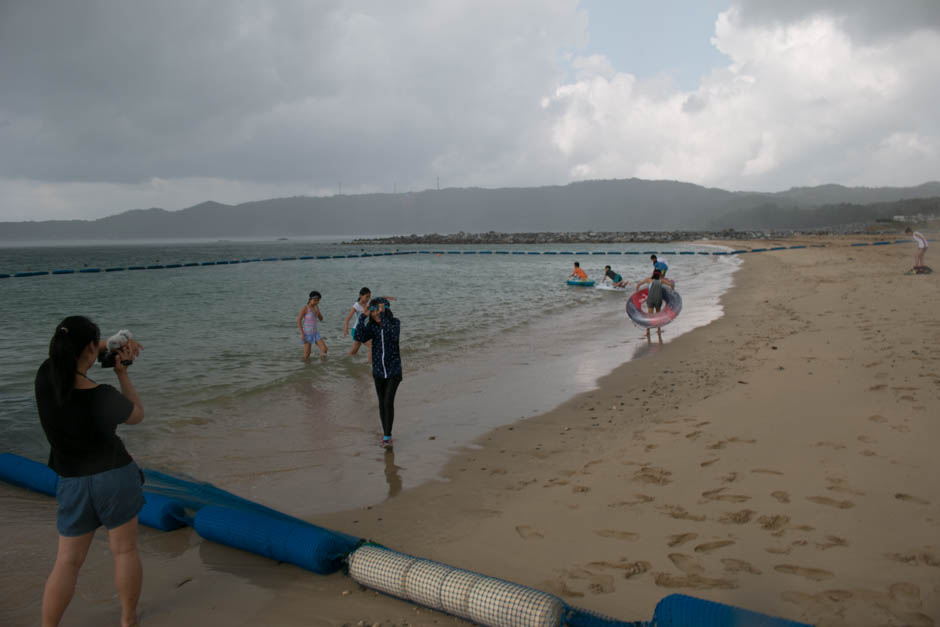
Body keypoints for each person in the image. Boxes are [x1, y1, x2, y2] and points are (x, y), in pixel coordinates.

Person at [34, 316, 145, 627]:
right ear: (88, 349)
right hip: (115, 476)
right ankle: (128, 620)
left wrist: (107, 344)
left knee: (67, 562)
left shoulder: (45, 378)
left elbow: (75, 351)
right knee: (124, 552)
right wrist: (122, 373)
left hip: (72, 481)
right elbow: (136, 415)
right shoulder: (102, 395)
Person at [353, 298, 402, 447]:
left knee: (388, 402)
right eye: (373, 310)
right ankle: (386, 433)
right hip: (379, 372)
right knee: (382, 404)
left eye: (378, 309)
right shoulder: (371, 327)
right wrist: (362, 316)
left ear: (385, 309)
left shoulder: (394, 323)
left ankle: (387, 436)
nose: (375, 313)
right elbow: (359, 337)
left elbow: (393, 336)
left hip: (394, 371)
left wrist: (384, 315)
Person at [346, 288, 396, 357]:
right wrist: (346, 328)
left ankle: (345, 360)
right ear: (361, 296)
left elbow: (379, 298)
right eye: (366, 296)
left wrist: (389, 298)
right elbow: (348, 318)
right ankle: (370, 363)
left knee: (354, 351)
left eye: (369, 296)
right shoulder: (356, 306)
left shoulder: (369, 303)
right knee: (372, 346)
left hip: (363, 330)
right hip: (357, 330)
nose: (368, 298)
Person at [635, 270, 674, 341]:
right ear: (659, 275)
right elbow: (671, 284)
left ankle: (647, 331)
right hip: (658, 299)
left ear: (653, 274)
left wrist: (637, 293)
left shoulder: (649, 279)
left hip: (650, 299)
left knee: (649, 315)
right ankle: (658, 330)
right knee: (658, 314)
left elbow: (638, 285)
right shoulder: (661, 280)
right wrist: (672, 291)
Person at [297, 290, 327, 359]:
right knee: (307, 355)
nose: (317, 302)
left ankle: (323, 365)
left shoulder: (316, 307)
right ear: (311, 299)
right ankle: (306, 368)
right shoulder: (305, 308)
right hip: (307, 333)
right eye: (316, 300)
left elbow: (321, 319)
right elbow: (299, 321)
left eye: (318, 300)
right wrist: (302, 334)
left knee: (324, 349)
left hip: (315, 333)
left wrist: (318, 312)